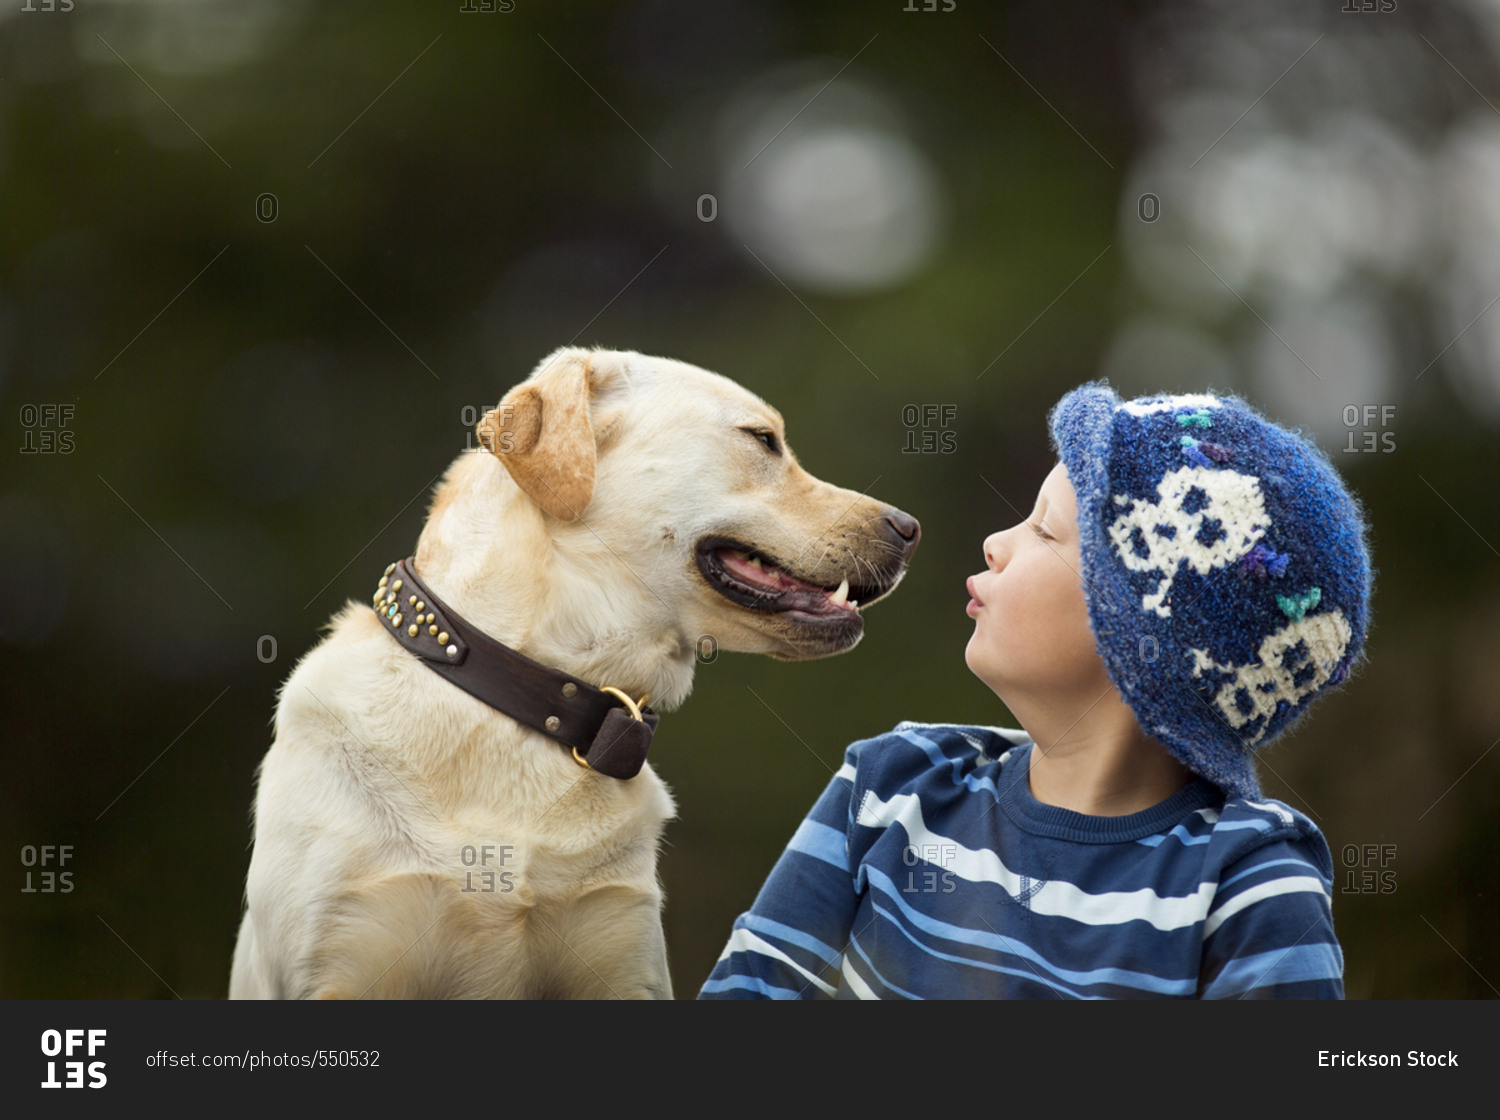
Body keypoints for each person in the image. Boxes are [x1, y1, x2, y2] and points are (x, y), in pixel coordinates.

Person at [698, 383, 1371, 999]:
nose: (995, 543)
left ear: (1139, 631)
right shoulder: (893, 788)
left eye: (1044, 529)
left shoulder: (1245, 878)